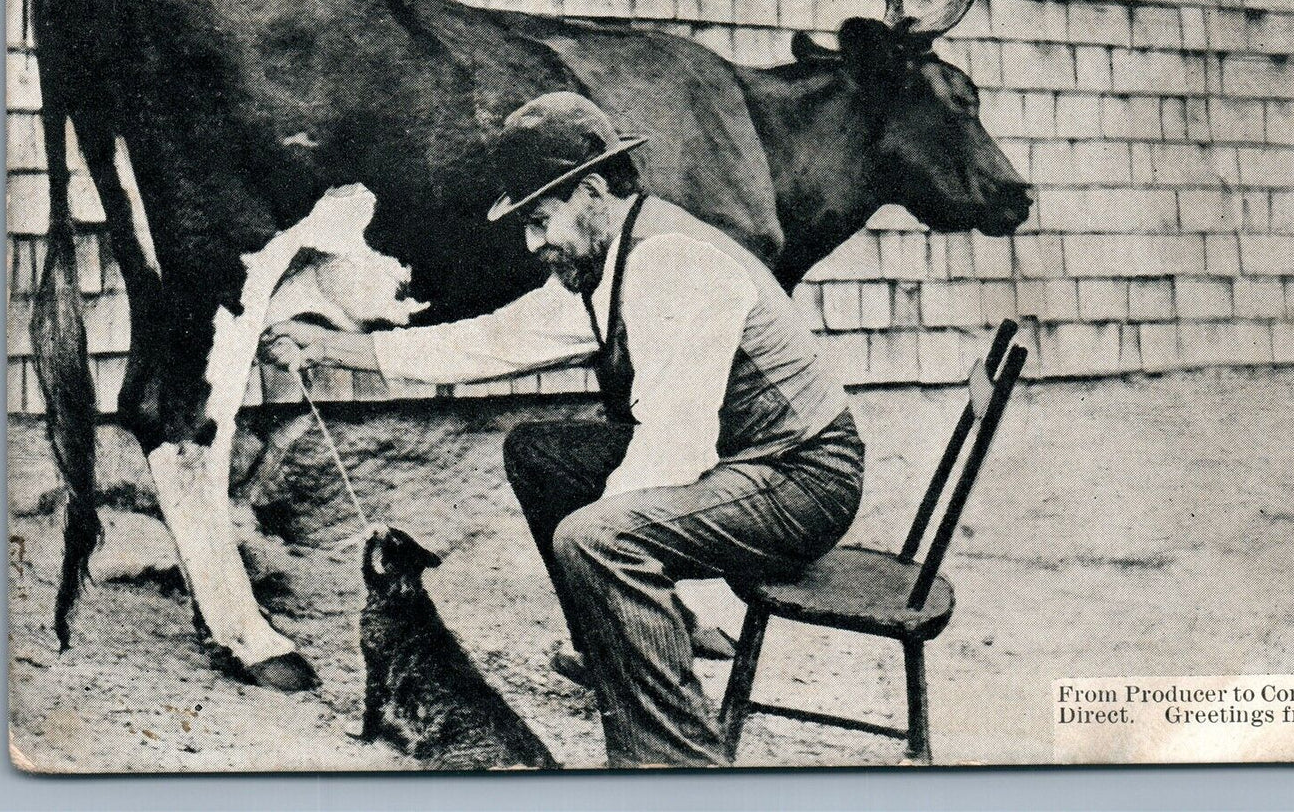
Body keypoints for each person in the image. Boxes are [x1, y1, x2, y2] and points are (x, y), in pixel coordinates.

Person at [260, 92, 864, 767]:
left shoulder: (672, 262)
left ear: (592, 192)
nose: (533, 243)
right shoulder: (609, 262)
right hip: (742, 464)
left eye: (541, 220)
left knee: (597, 540)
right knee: (539, 454)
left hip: (803, 480)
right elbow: (492, 341)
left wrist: (601, 545)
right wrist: (334, 347)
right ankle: (614, 655)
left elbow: (674, 444)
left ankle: (677, 767)